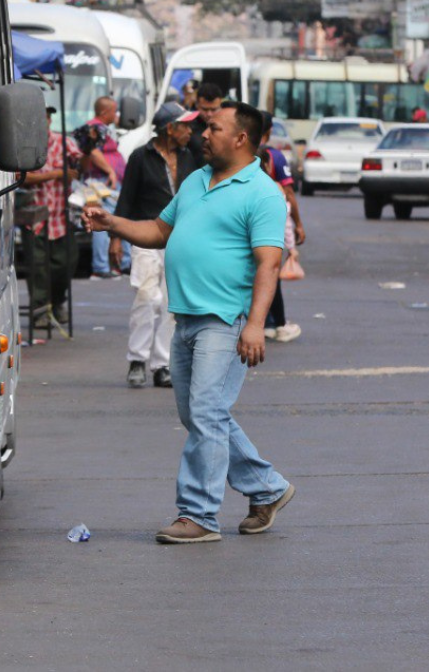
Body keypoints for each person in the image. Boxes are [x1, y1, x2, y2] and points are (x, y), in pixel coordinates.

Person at [84, 101, 294, 544]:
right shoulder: (197, 179)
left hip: (225, 320)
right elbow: (160, 232)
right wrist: (113, 224)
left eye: (213, 128)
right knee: (200, 415)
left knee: (206, 413)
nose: (203, 135)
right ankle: (267, 487)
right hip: (186, 319)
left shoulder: (262, 193)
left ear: (241, 138)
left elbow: (269, 264)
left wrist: (256, 325)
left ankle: (198, 515)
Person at [111, 102, 198, 389]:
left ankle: (162, 364)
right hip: (146, 235)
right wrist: (116, 238)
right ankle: (137, 359)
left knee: (172, 304)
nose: (190, 131)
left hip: (180, 239)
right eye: (185, 126)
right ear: (170, 128)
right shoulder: (140, 157)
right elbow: (126, 198)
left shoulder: (189, 156)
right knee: (147, 297)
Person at [23, 107, 89, 326]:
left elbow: (82, 167)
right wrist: (56, 174)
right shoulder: (24, 145)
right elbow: (21, 177)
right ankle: (40, 311)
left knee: (66, 262)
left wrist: (88, 149)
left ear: (50, 120)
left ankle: (58, 302)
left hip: (61, 215)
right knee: (38, 267)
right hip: (35, 217)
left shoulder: (64, 143)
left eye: (47, 117)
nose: (44, 121)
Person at [259, 110, 304, 343]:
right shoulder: (274, 157)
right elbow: (289, 195)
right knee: (270, 276)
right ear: (269, 131)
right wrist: (298, 226)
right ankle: (276, 323)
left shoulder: (237, 154)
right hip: (270, 235)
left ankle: (265, 322)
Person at [75, 96, 128, 278]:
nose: (116, 115)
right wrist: (110, 171)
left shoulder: (102, 128)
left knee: (116, 220)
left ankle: (118, 264)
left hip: (107, 183)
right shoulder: (93, 128)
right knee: (102, 222)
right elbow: (93, 152)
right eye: (114, 111)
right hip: (101, 183)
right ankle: (101, 267)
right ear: (105, 112)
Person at [185, 82, 225, 167]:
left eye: (213, 109)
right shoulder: (187, 126)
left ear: (220, 106)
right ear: (197, 105)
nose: (209, 114)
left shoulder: (228, 125)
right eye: (205, 109)